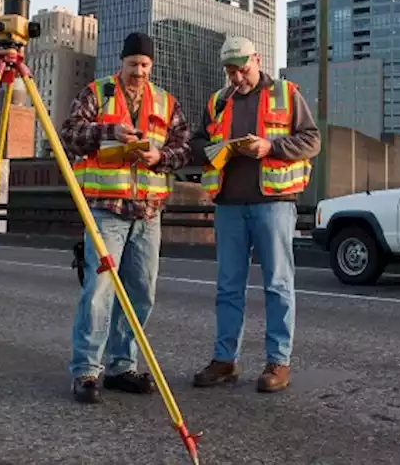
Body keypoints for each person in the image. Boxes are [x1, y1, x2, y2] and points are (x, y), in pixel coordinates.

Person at [58, 31, 192, 404]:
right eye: (133, 64)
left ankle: (121, 366)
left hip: (148, 212)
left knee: (141, 294)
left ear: (152, 65)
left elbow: (184, 148)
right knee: (99, 292)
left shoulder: (165, 102)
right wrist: (109, 131)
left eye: (145, 65)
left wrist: (160, 157)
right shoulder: (97, 93)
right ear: (122, 63)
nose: (139, 71)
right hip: (107, 209)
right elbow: (69, 134)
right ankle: (86, 371)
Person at [189, 36, 321, 394]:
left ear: (257, 60)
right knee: (228, 286)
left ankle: (278, 362)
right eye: (230, 71)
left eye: (242, 70)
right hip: (229, 204)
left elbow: (312, 140)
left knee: (277, 283)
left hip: (274, 202)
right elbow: (196, 144)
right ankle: (224, 359)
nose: (236, 78)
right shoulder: (218, 101)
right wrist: (214, 150)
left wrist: (270, 147)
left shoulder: (286, 93)